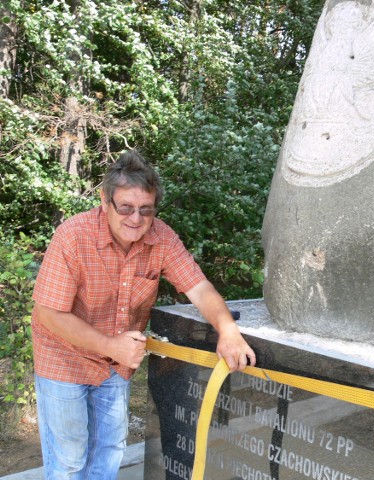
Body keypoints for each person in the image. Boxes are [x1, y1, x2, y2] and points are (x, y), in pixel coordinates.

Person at [31, 150, 256, 479]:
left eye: (145, 210)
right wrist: (111, 346)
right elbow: (49, 313)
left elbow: (199, 288)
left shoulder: (161, 237)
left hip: (114, 363)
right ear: (105, 201)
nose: (136, 219)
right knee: (69, 456)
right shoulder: (72, 237)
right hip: (63, 357)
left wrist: (228, 331)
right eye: (126, 208)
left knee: (109, 450)